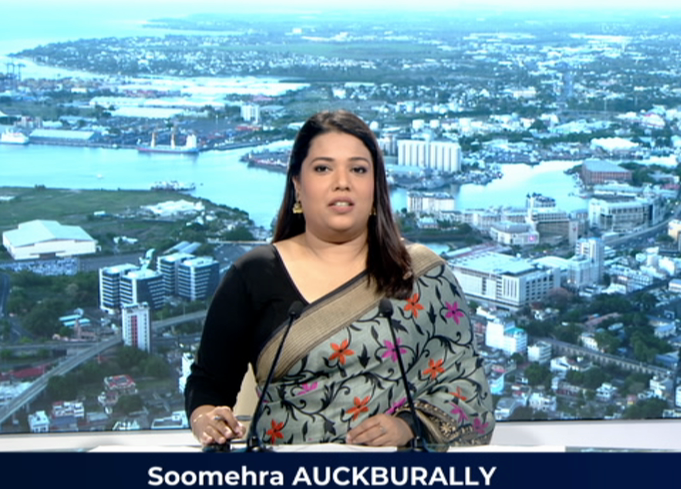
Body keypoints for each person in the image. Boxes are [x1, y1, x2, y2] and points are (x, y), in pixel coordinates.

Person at [185, 109, 493, 450]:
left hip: (395, 478)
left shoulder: (423, 274)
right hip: (281, 476)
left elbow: (470, 390)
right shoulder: (253, 274)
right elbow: (208, 384)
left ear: (375, 186)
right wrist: (205, 419)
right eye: (323, 168)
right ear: (297, 184)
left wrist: (408, 425)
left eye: (358, 169)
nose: (342, 182)